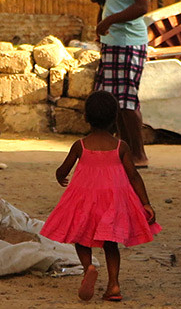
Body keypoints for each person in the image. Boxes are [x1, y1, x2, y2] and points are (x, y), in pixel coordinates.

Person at [40, 91, 160, 302]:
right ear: (115, 118)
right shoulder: (120, 147)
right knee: (110, 244)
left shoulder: (81, 146)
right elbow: (134, 176)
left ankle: (89, 268)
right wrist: (146, 203)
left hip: (85, 201)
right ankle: (113, 285)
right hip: (112, 203)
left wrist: (60, 177)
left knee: (80, 238)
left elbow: (62, 170)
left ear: (86, 117)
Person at [94, 0, 156, 167]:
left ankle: (139, 154)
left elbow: (141, 6)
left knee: (127, 101)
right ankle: (125, 151)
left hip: (128, 42)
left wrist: (109, 21)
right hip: (116, 41)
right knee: (115, 101)